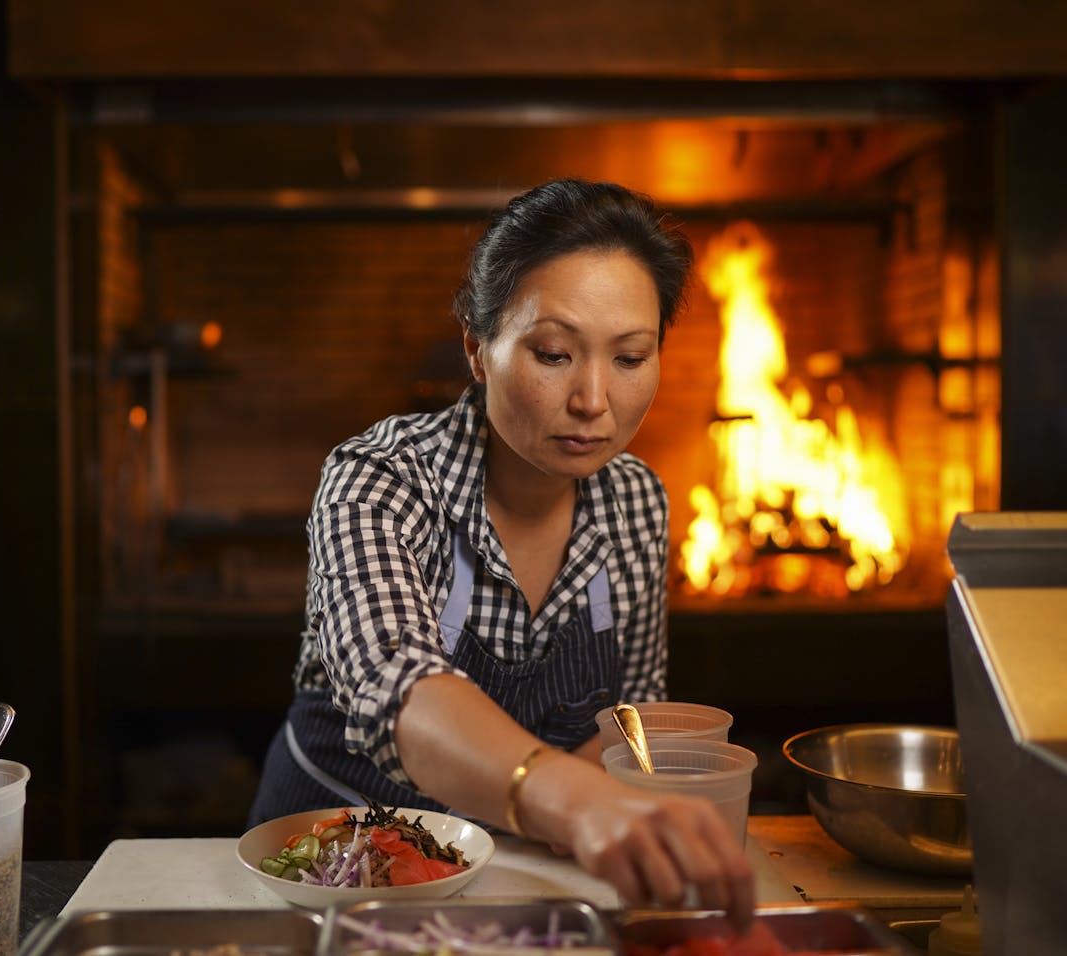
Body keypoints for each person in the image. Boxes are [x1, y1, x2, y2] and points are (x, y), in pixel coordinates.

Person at [248, 178, 755, 925]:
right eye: (553, 353)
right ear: (478, 349)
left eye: (629, 357)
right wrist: (578, 804)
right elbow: (403, 691)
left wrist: (596, 823)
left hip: (521, 873)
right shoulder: (381, 478)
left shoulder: (637, 500)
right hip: (330, 873)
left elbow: (626, 718)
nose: (593, 400)